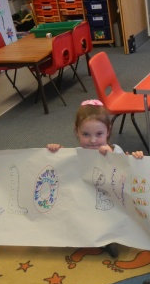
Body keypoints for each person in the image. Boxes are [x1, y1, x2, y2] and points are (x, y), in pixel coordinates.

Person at [47, 99, 142, 258]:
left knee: (113, 222)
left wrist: (115, 157)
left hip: (109, 205)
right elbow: (63, 171)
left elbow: (125, 178)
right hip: (85, 204)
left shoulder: (115, 151)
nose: (92, 141)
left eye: (99, 134)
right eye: (86, 134)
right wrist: (57, 152)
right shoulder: (76, 154)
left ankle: (109, 240)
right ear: (77, 132)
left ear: (108, 131)